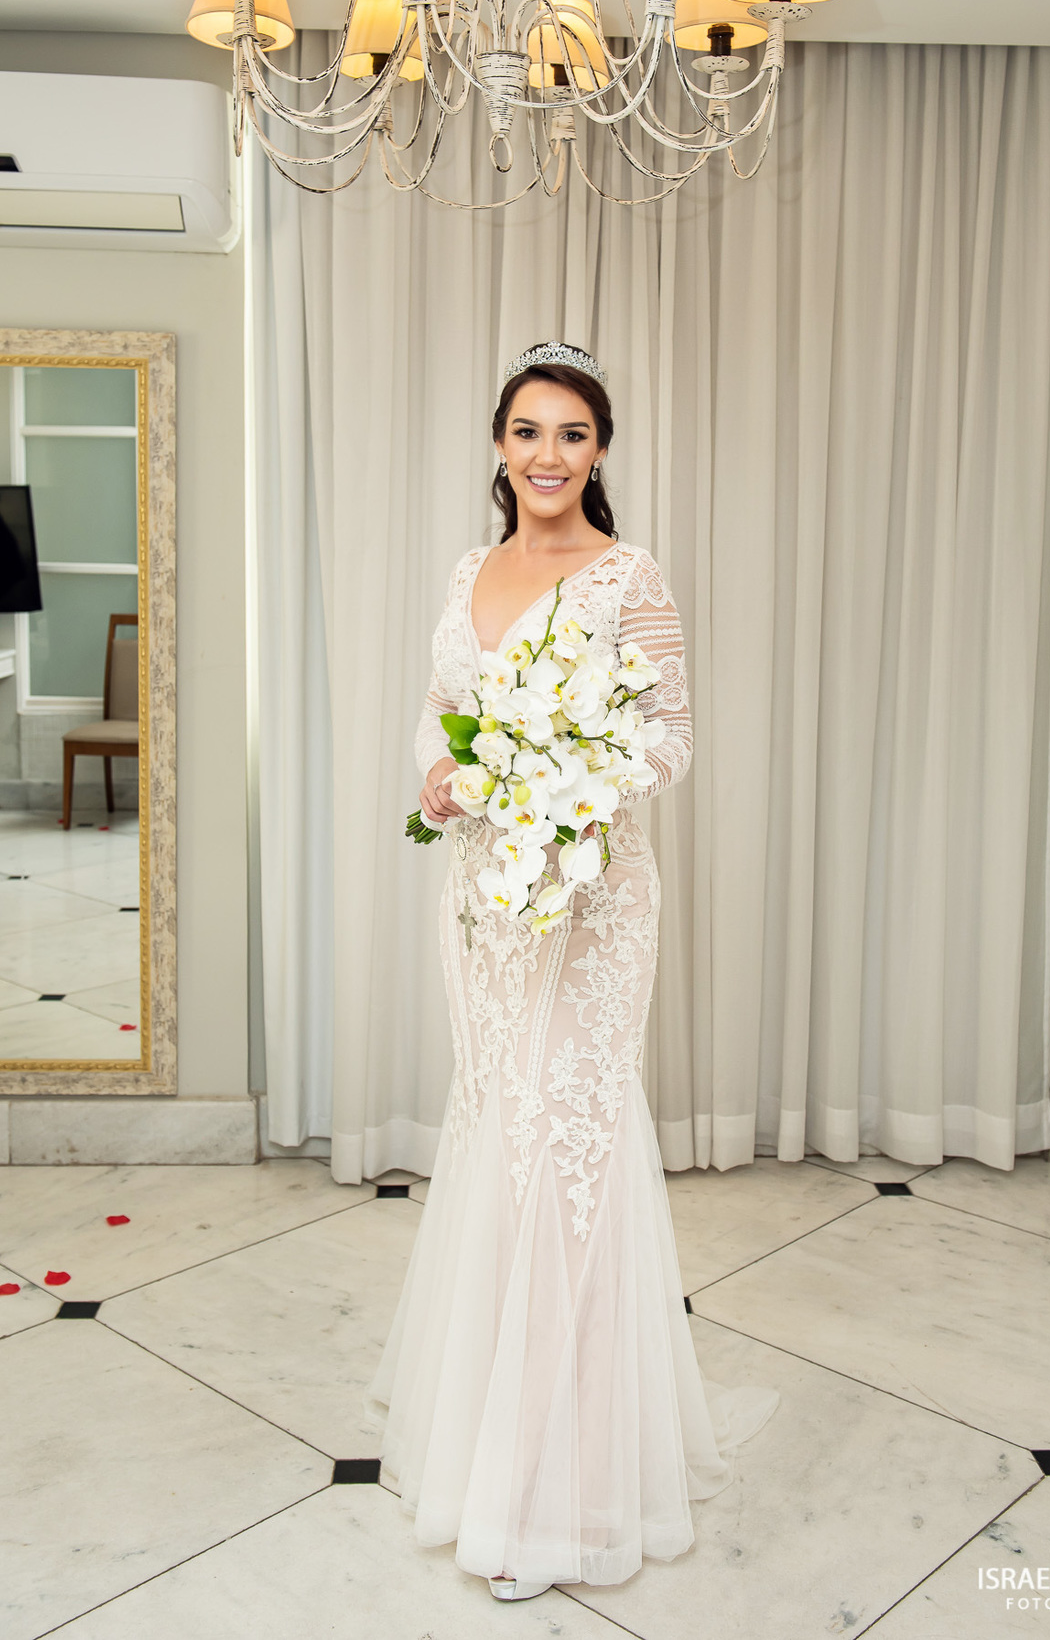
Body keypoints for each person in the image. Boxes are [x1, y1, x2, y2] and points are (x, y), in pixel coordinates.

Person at [366, 341, 778, 1598]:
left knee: (568, 1149)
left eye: (574, 436)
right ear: (499, 447)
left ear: (602, 453)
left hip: (594, 902)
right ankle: (489, 1443)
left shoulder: (627, 577)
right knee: (501, 1139)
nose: (550, 456)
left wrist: (576, 788)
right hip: (485, 902)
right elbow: (456, 724)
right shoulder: (466, 571)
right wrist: (451, 777)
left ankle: (563, 1490)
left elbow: (673, 738)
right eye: (529, 433)